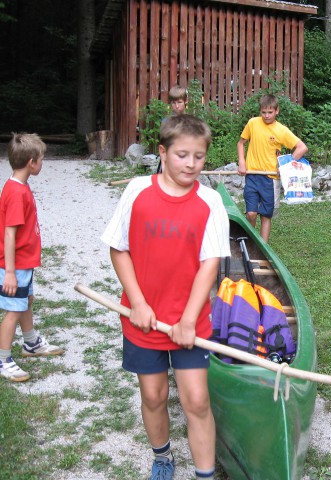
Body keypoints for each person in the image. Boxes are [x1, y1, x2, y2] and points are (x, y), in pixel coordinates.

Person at [101, 114, 230, 480]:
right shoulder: (137, 191)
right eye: (182, 155)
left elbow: (209, 264)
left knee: (197, 401)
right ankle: (162, 457)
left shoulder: (210, 201)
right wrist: (138, 304)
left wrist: (189, 319)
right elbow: (118, 248)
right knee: (154, 396)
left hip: (190, 323)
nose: (191, 164)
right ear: (162, 152)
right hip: (143, 320)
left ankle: (204, 474)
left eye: (199, 157)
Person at [0, 133, 64, 382]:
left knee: (26, 300)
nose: (42, 162)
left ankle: (31, 343)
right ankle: (3, 359)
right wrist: (11, 273)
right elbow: (9, 234)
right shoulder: (17, 193)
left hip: (24, 262)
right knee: (13, 310)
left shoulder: (20, 186)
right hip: (15, 265)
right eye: (42, 158)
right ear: (31, 162)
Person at [237, 93, 308, 242]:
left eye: (270, 112)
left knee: (265, 215)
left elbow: (302, 147)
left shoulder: (281, 130)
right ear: (260, 111)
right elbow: (241, 143)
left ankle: (263, 249)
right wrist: (242, 163)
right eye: (264, 112)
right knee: (251, 213)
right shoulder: (253, 123)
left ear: (277, 111)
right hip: (252, 175)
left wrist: (285, 166)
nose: (267, 116)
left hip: (270, 179)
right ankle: (250, 242)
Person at [156, 85, 188, 174]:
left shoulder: (191, 122)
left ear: (186, 101)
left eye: (180, 102)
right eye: (173, 103)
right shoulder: (166, 122)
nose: (176, 106)